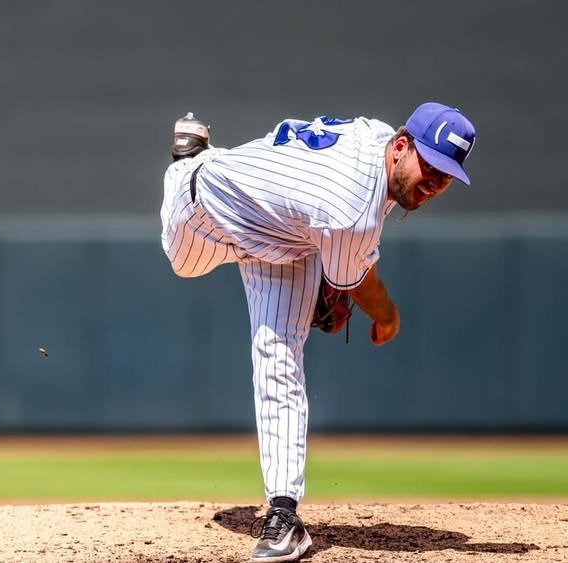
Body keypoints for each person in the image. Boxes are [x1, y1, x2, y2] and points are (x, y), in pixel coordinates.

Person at [160, 102, 476, 562]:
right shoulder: (352, 208)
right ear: (402, 146)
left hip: (289, 239)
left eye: (447, 175)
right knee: (183, 264)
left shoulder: (379, 141)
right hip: (209, 207)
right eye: (430, 164)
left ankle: (283, 515)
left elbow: (337, 227)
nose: (435, 181)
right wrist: (386, 314)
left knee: (279, 356)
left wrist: (331, 267)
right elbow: (361, 279)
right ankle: (192, 157)